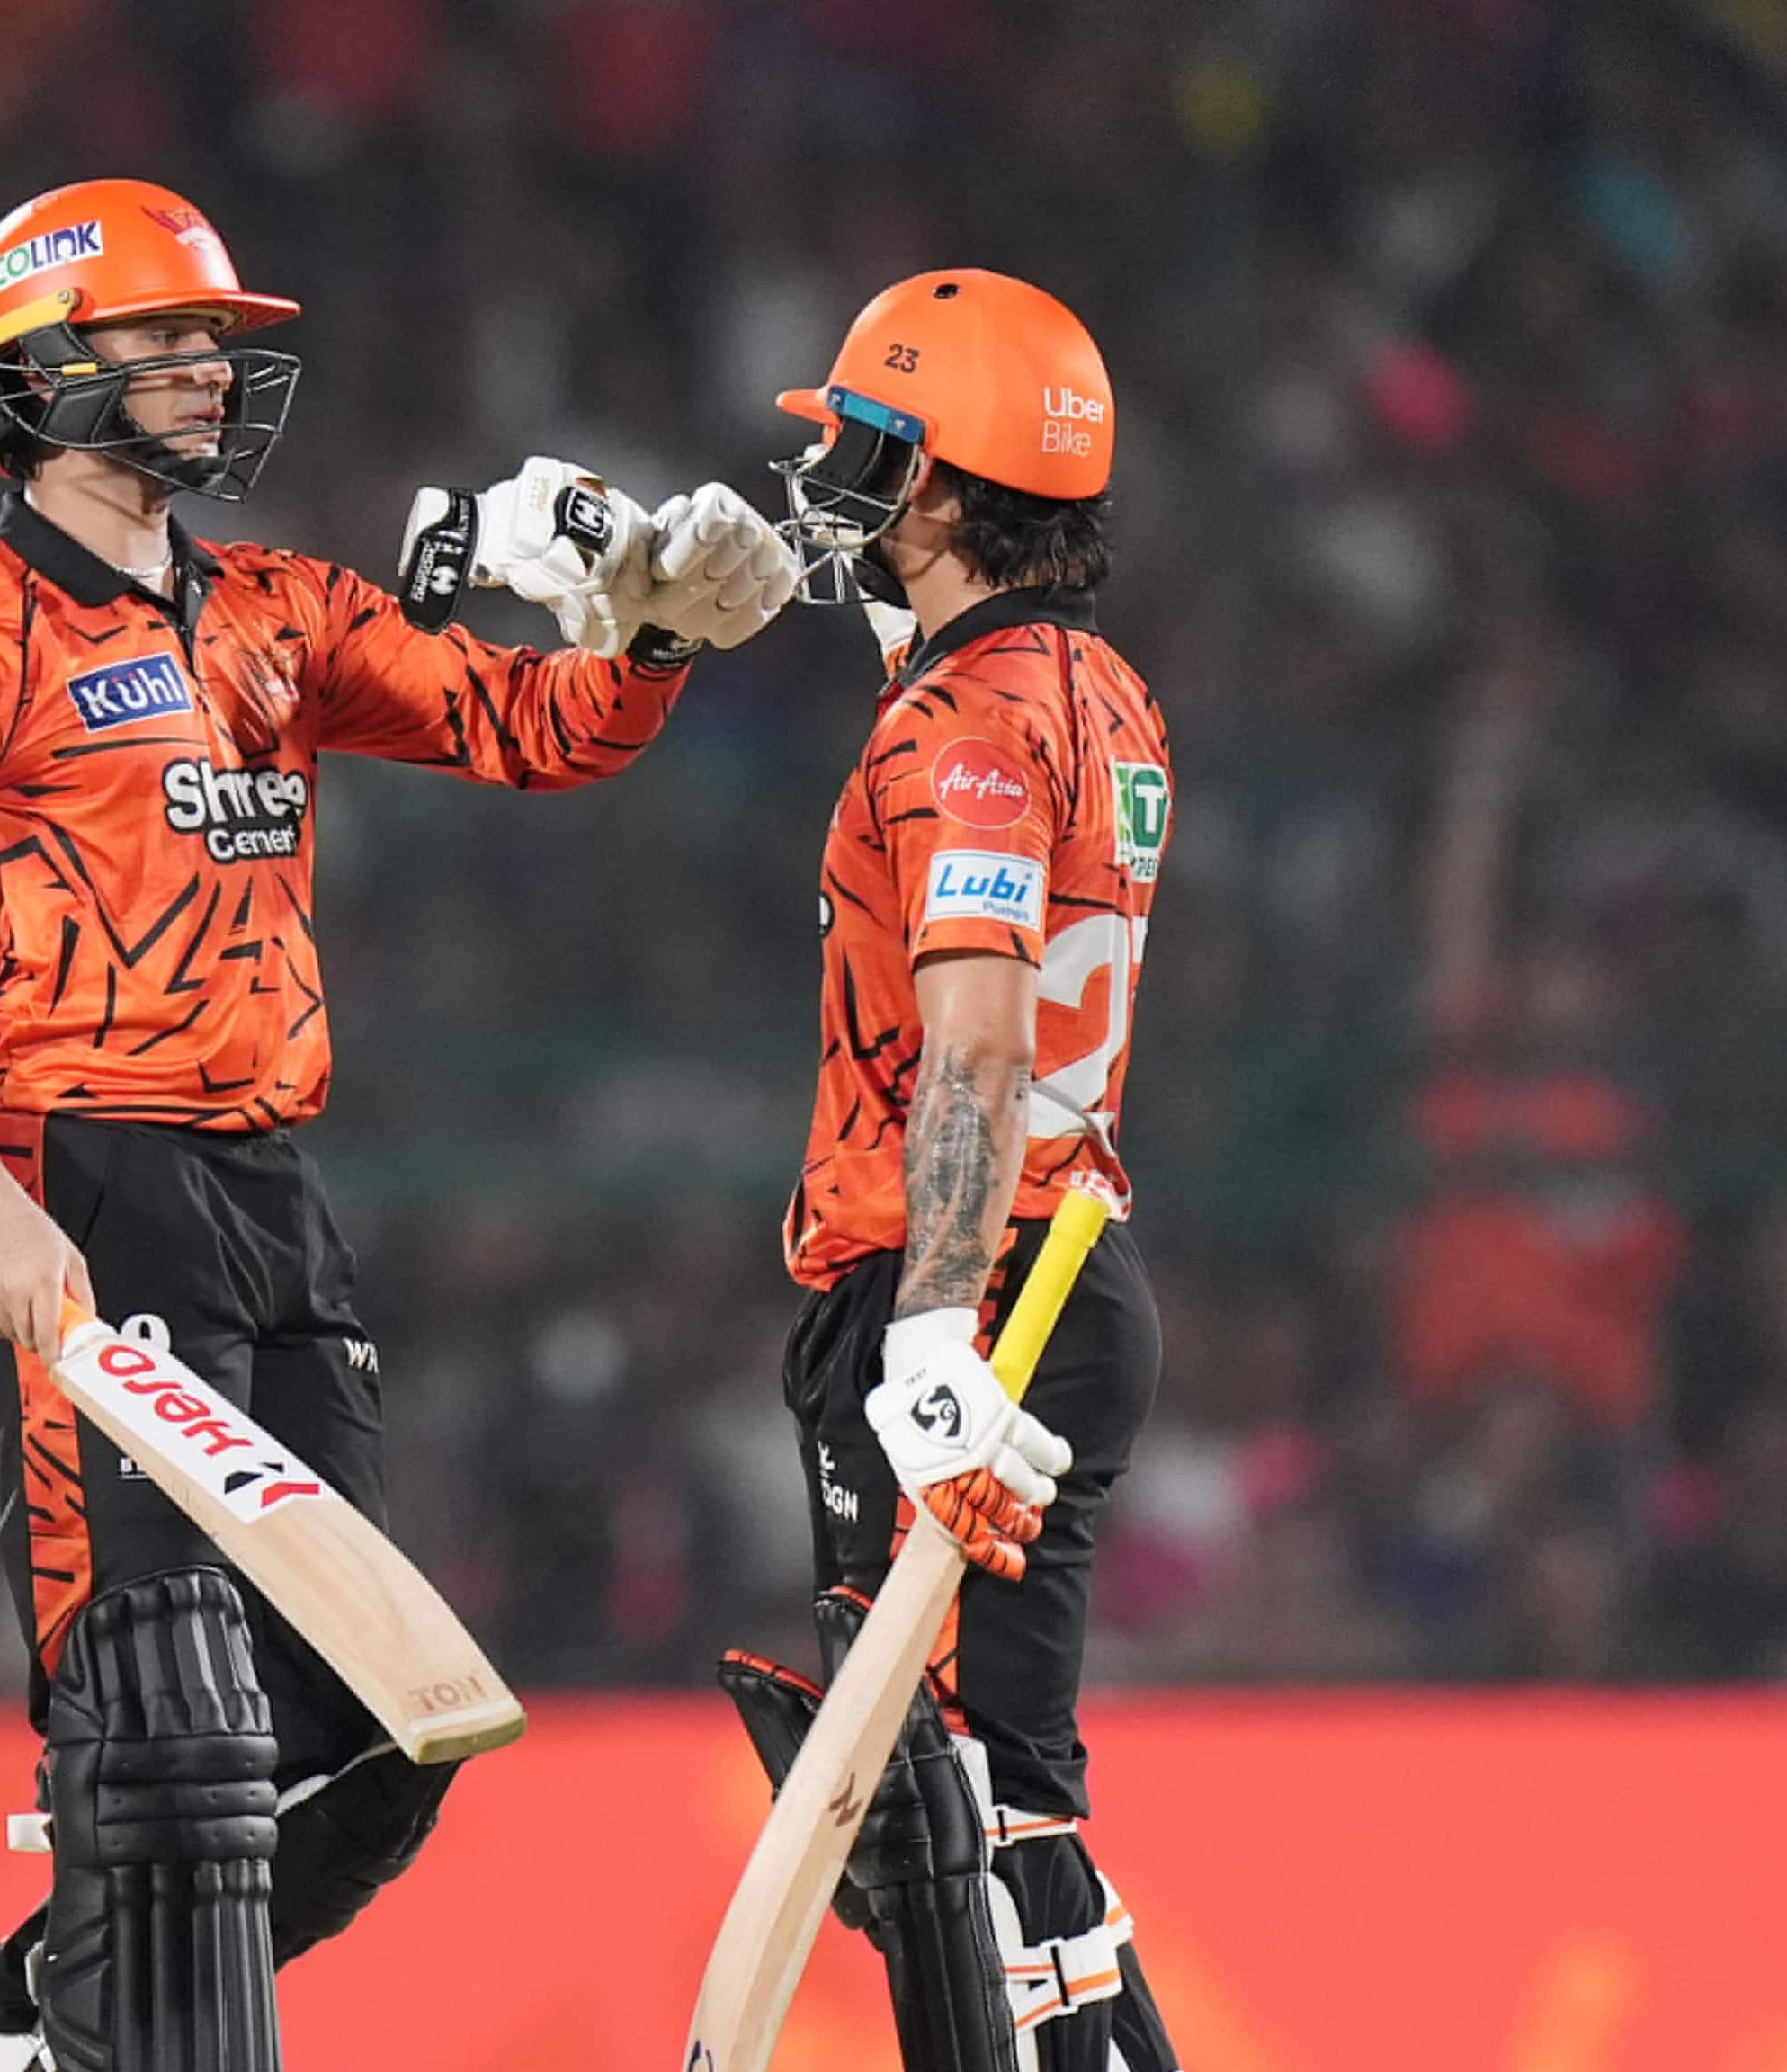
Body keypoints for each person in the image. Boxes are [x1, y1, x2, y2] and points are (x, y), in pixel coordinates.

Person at [0, 177, 798, 2072]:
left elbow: (536, 730)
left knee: (377, 1738)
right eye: (165, 337)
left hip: (268, 1197)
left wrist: (656, 642)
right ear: (38, 367)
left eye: (214, 341)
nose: (207, 369)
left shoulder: (278, 607)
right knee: (157, 1730)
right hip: (77, 1181)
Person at [716, 271, 1182, 2072]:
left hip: (968, 1291)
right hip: (1061, 1270)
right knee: (987, 1806)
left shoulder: (956, 728)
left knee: (961, 1830)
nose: (828, 471)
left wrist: (927, 1329)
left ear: (934, 478)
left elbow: (977, 1046)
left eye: (858, 442)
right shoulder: (1102, 691)